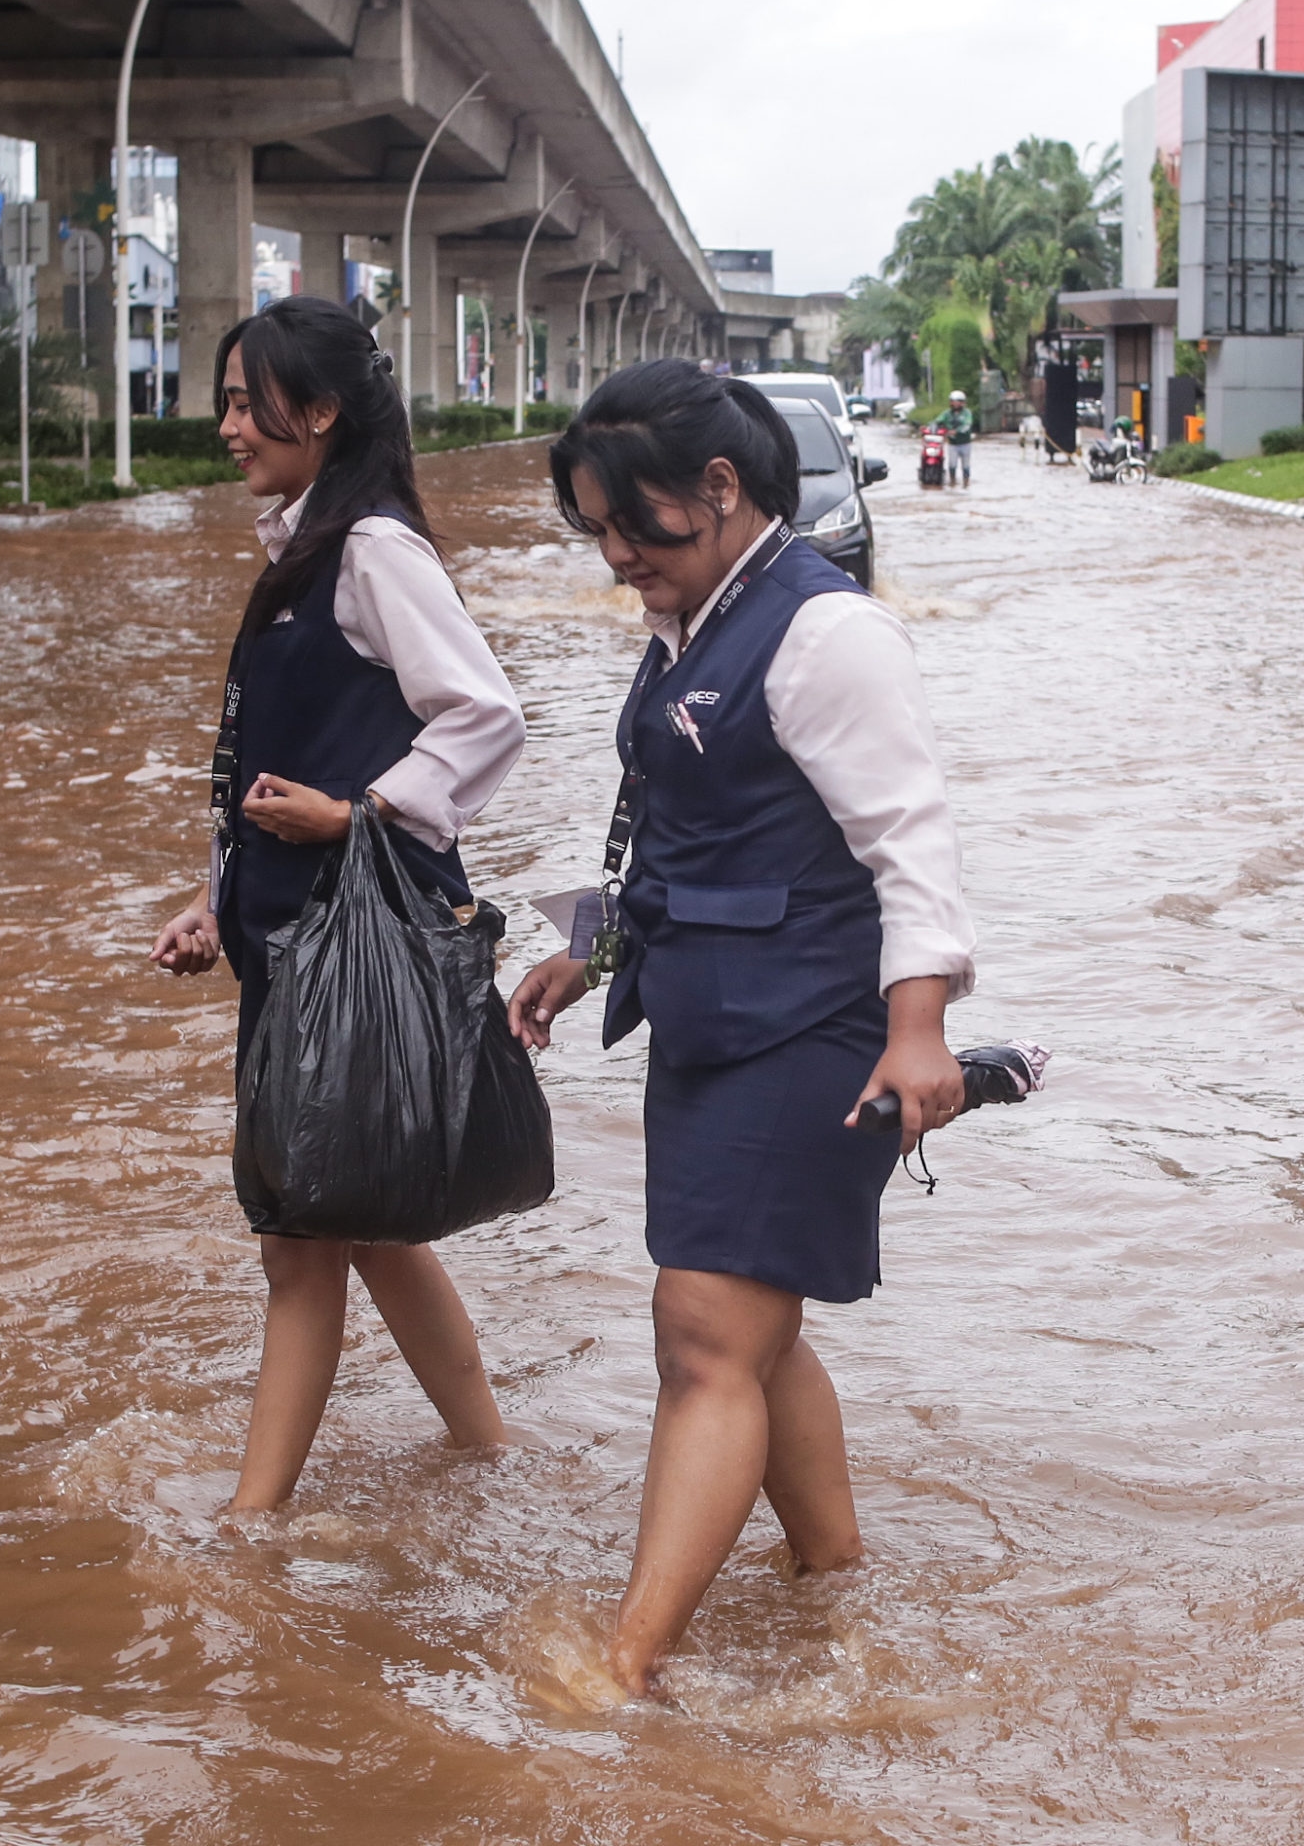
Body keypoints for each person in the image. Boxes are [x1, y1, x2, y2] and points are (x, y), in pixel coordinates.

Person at [508, 359, 975, 1698]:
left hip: (816, 1032)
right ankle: (836, 1581)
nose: (613, 557)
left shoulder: (829, 635)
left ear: (719, 489)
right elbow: (681, 836)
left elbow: (911, 849)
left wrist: (921, 1030)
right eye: (593, 528)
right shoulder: (695, 627)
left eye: (630, 525)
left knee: (707, 1336)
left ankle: (624, 1666)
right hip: (710, 1031)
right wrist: (588, 952)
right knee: (759, 1336)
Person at [148, 295, 530, 1511]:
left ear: (317, 412)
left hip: (338, 953)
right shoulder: (303, 551)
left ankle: (247, 1531)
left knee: (302, 1244)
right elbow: (270, 762)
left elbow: (486, 713)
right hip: (289, 946)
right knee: (361, 1221)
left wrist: (358, 812)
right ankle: (493, 1456)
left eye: (244, 402)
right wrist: (215, 897)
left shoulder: (372, 551)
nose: (225, 427)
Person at [932, 388, 976, 486]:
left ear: (962, 403)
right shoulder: (947, 413)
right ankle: (952, 482)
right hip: (952, 444)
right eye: (953, 401)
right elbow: (938, 420)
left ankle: (966, 482)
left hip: (965, 443)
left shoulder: (967, 413)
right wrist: (931, 427)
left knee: (966, 466)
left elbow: (967, 425)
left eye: (957, 402)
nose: (955, 404)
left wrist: (956, 432)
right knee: (952, 465)